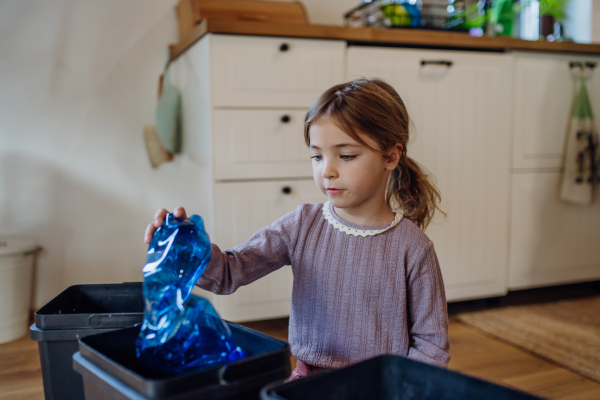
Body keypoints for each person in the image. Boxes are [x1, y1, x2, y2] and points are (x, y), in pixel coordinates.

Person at [144, 78, 450, 380]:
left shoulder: (414, 247)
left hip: (378, 387)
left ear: (391, 157)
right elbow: (228, 272)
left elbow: (431, 347)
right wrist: (183, 247)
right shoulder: (302, 225)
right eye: (317, 156)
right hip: (306, 382)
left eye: (346, 156)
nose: (326, 170)